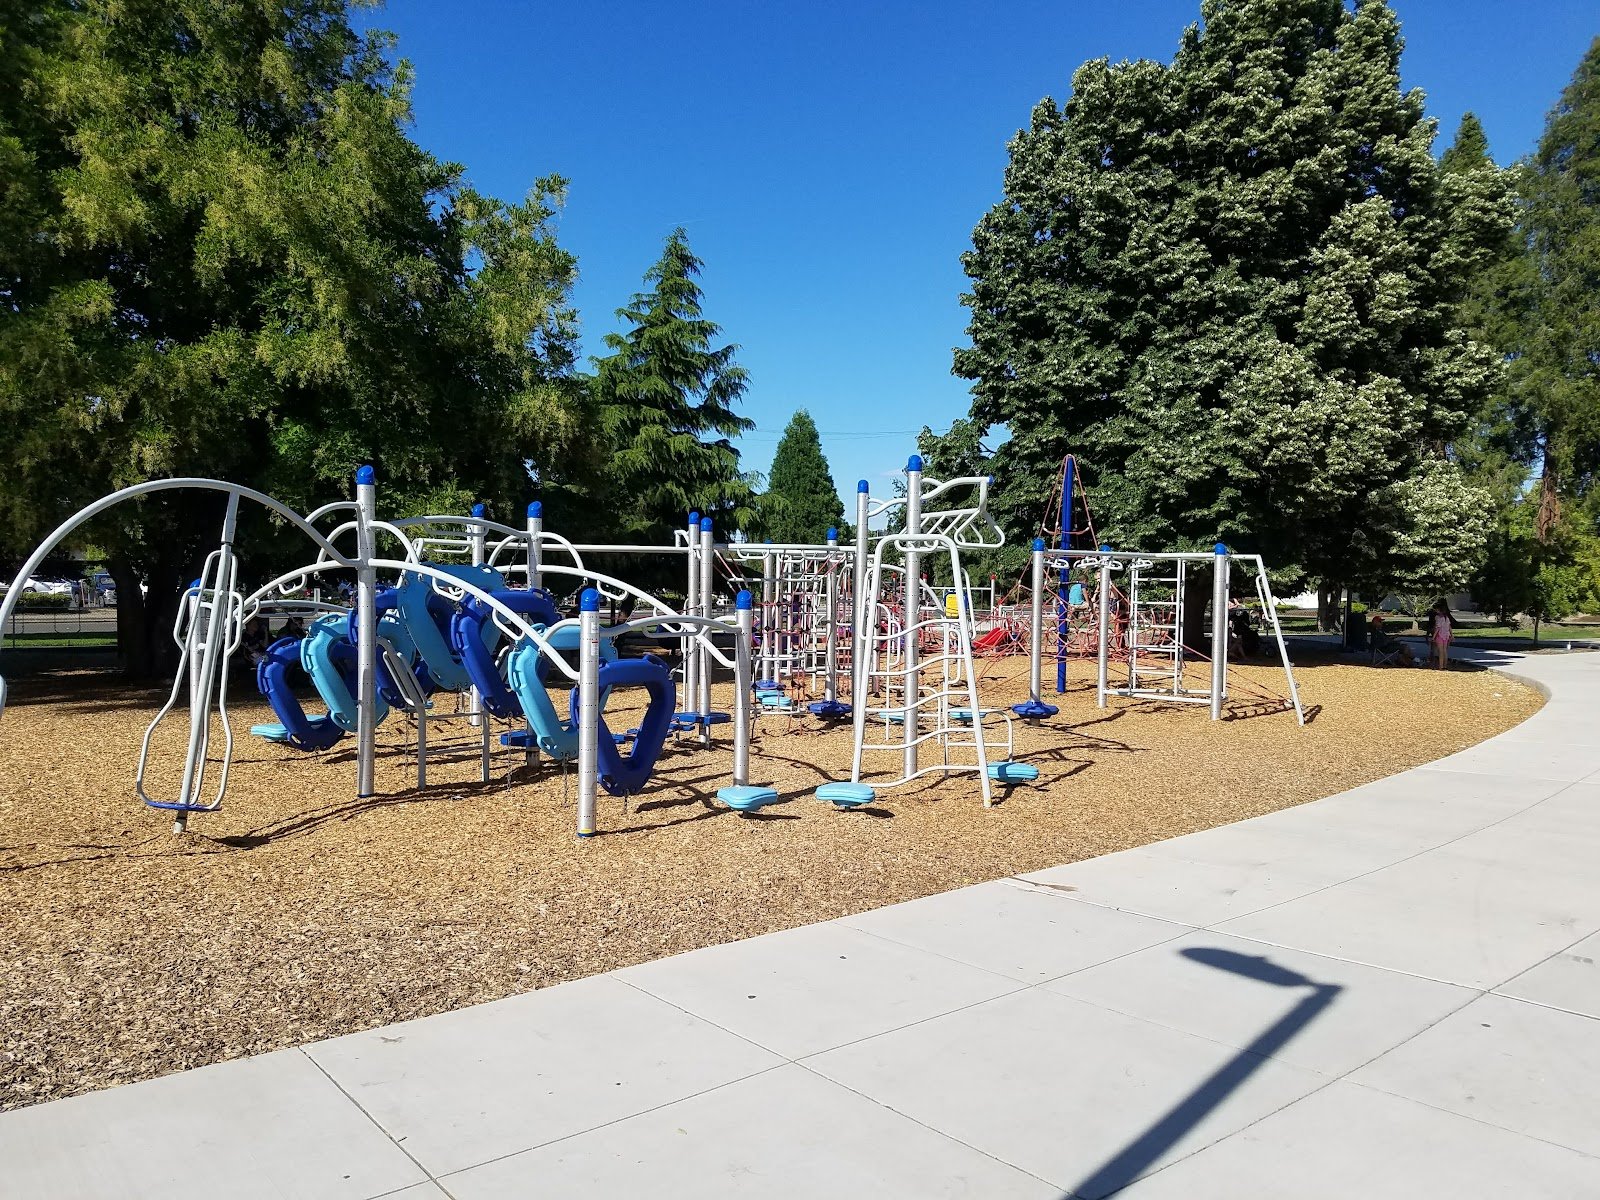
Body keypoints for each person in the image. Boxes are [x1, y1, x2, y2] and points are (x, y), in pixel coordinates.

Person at [1427, 599, 1454, 669]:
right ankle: (1445, 665)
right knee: (1445, 651)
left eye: (1436, 610)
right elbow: (1449, 627)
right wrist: (1452, 635)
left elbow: (1437, 628)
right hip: (1446, 635)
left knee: (1440, 651)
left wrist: (1433, 637)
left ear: (1439, 610)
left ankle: (1440, 666)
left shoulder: (1438, 618)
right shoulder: (1446, 618)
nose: (1436, 611)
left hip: (1440, 635)